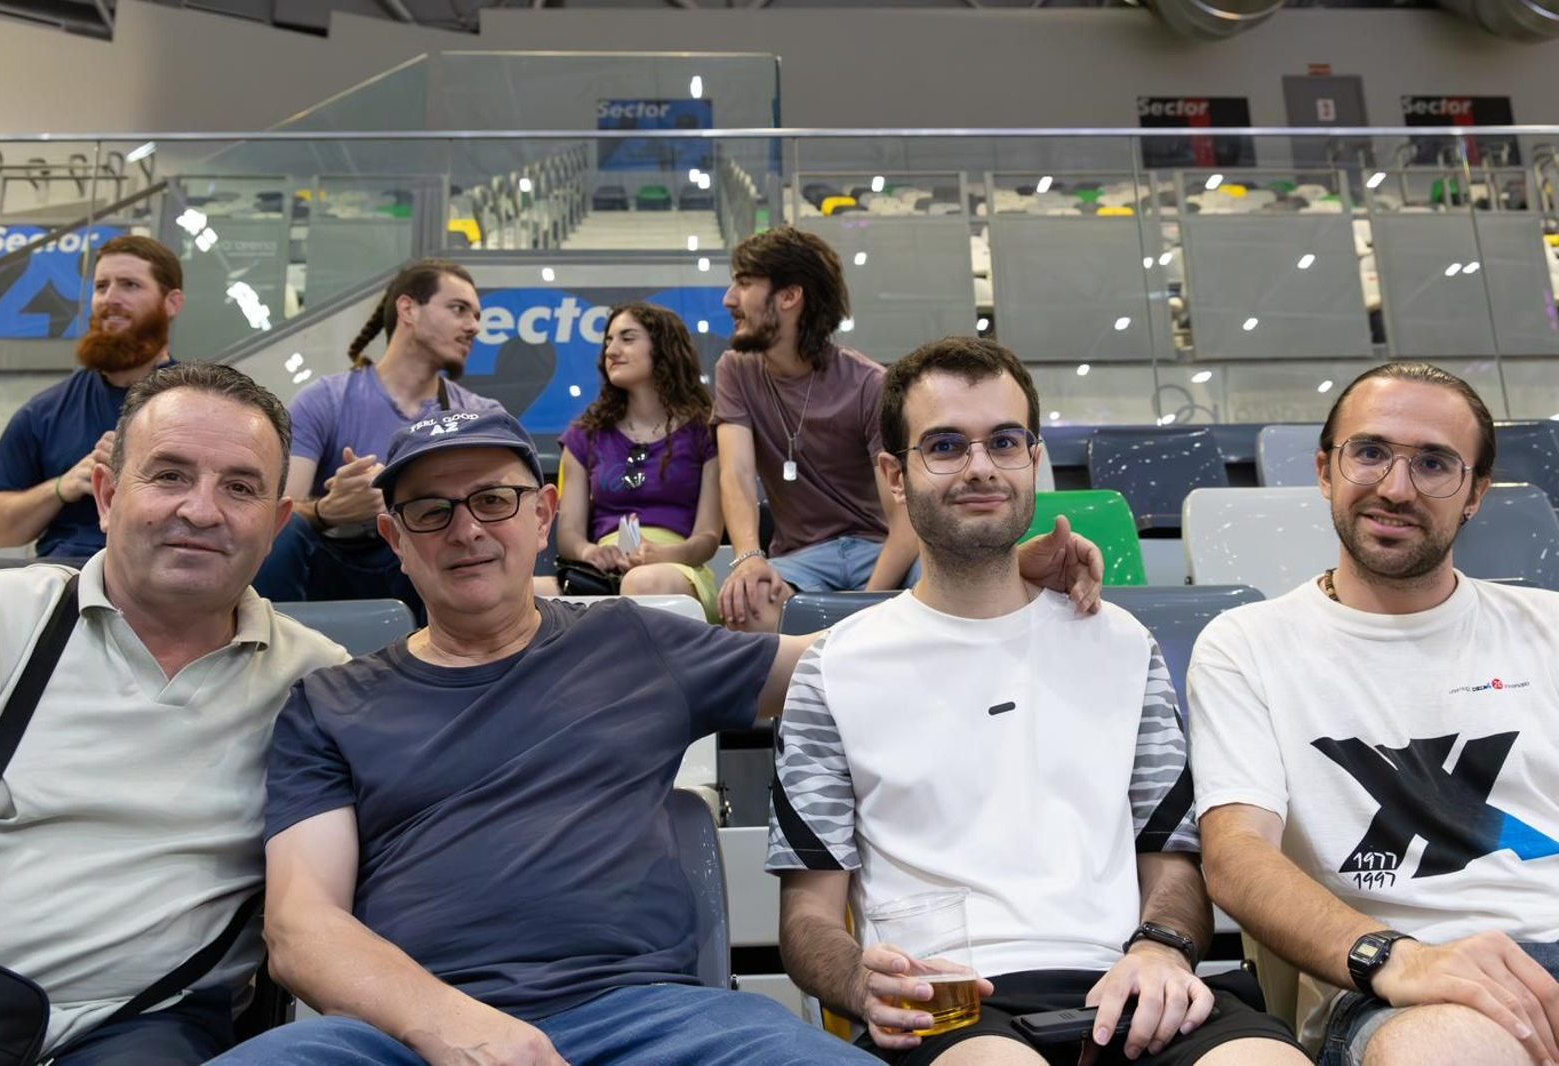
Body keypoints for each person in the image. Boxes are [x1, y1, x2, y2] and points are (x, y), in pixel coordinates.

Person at [213, 402, 1103, 1066]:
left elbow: (857, 662)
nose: (468, 530)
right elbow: (300, 925)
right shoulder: (330, 701)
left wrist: (993, 577)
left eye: (493, 498)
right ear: (393, 538)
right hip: (396, 1033)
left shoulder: (635, 639)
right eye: (431, 511)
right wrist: (452, 1026)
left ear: (539, 514)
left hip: (661, 1023)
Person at [767, 337, 1306, 1066]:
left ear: (1034, 458)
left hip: (1131, 987)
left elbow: (1173, 861)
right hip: (952, 1002)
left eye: (1005, 441)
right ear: (895, 475)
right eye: (946, 445)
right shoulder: (834, 670)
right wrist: (861, 983)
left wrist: (1162, 948)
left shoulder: (1121, 644)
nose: (981, 465)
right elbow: (807, 917)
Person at [0, 363, 348, 1065]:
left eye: (240, 487)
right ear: (107, 495)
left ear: (276, 523)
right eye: (169, 475)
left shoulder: (319, 682)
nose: (201, 510)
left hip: (152, 1028)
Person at [1188, 361, 1559, 1066]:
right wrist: (1394, 957)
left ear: (1476, 492)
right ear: (1326, 469)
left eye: (1433, 464)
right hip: (1398, 986)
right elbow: (1236, 856)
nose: (1396, 487)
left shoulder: (1549, 628)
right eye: (1371, 453)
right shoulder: (1248, 646)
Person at [252, 258, 495, 619]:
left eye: (476, 315)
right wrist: (327, 510)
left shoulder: (479, 417)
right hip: (334, 570)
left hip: (424, 571)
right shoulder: (325, 400)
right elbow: (276, 508)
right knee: (281, 533)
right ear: (408, 309)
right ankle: (267, 652)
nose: (473, 326)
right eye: (459, 309)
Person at [711, 226, 919, 633]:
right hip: (799, 557)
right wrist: (748, 557)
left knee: (944, 589)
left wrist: (865, 609)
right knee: (747, 602)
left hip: (878, 548)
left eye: (745, 283)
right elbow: (734, 474)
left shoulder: (869, 383)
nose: (729, 298)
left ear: (789, 296)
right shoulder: (735, 371)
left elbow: (905, 520)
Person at [0, 235, 182, 563]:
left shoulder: (204, 406)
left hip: (171, 572)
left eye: (129, 285)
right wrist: (62, 487)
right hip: (68, 577)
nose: (110, 298)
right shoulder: (45, 412)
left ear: (172, 303)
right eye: (101, 286)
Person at [546, 301, 722, 619]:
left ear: (664, 348)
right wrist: (591, 552)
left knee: (642, 582)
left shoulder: (705, 430)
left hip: (675, 567)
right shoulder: (584, 434)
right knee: (519, 593)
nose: (611, 350)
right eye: (608, 341)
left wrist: (665, 554)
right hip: (599, 575)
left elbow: (708, 537)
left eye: (627, 339)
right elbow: (568, 533)